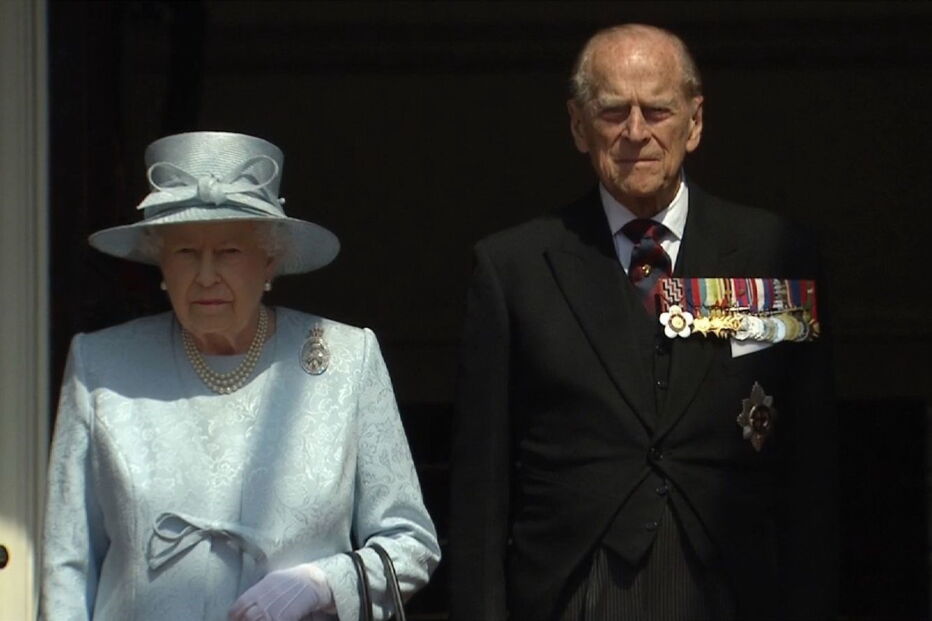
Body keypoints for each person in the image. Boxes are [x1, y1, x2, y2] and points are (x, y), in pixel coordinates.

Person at [449, 24, 836, 621]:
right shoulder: (514, 268)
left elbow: (810, 467)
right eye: (613, 112)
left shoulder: (772, 253)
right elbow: (481, 487)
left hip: (731, 581)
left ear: (695, 121)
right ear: (579, 125)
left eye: (657, 109)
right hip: (574, 585)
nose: (636, 132)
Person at [40, 131, 440, 620]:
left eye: (229, 251)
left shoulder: (346, 359)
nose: (206, 275)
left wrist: (322, 584)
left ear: (269, 259)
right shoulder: (101, 364)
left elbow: (411, 543)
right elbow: (68, 564)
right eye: (186, 252)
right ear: (160, 263)